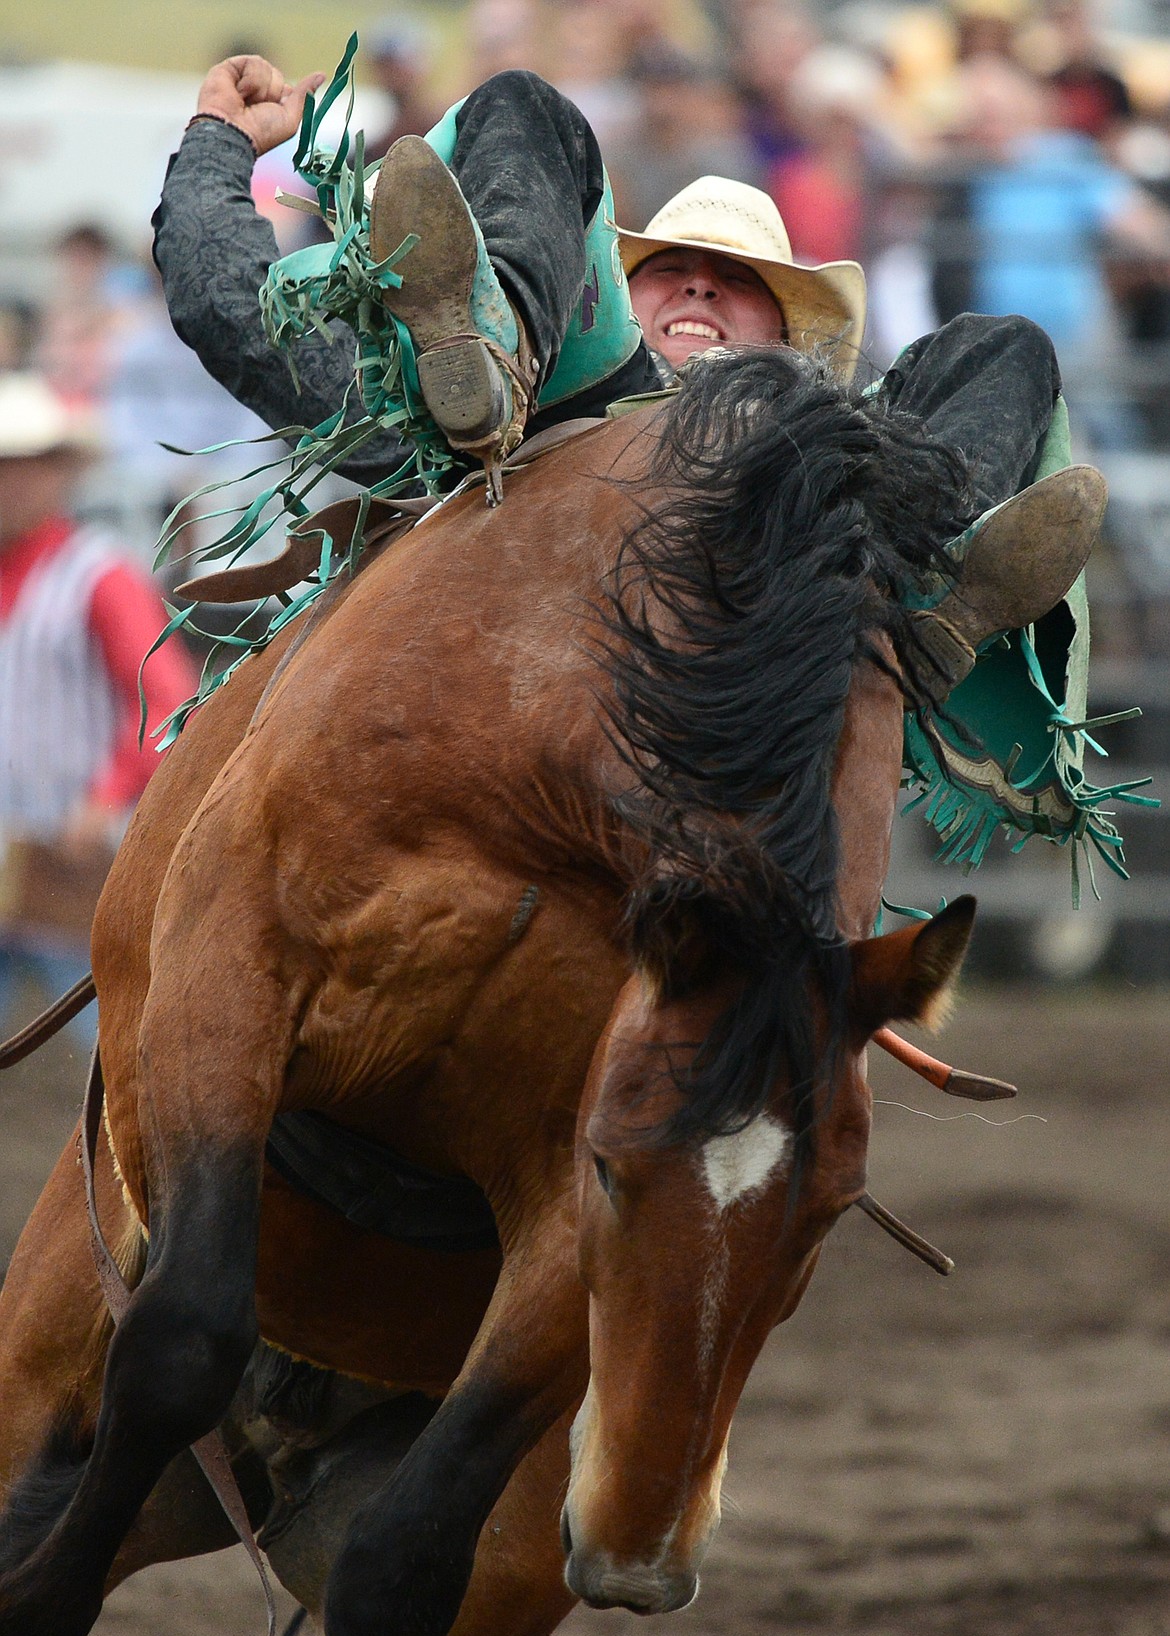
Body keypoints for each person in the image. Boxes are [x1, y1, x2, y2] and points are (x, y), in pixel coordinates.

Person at [151, 51, 1128, 876]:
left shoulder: (821, 436)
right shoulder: (535, 388)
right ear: (608, 300)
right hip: (539, 436)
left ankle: (914, 599)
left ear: (791, 342)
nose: (702, 277)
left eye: (740, 280)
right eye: (669, 268)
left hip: (805, 509)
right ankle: (493, 365)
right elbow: (240, 315)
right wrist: (218, 145)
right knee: (524, 104)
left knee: (1006, 347)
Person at [0, 375, 196, 1040]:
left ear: (57, 472)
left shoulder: (99, 575)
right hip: (8, 848)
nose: (12, 483)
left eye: (25, 467)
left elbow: (166, 701)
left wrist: (106, 796)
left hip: (77, 856)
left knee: (97, 1044)